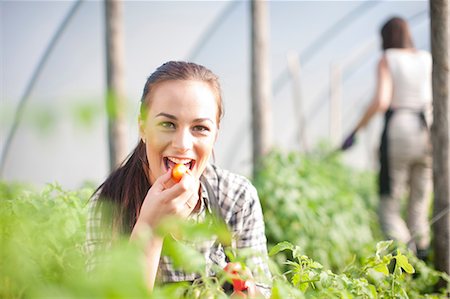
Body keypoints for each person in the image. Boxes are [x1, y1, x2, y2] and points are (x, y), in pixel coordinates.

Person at [85, 61, 271, 296]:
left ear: (215, 135)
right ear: (142, 127)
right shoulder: (109, 204)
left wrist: (246, 291)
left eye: (200, 128)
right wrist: (149, 229)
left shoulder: (236, 198)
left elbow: (262, 289)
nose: (182, 144)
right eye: (167, 124)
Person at [341, 17, 432, 260]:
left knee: (389, 206)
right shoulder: (426, 59)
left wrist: (354, 132)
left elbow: (381, 101)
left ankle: (403, 264)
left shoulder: (387, 59)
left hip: (399, 132)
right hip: (428, 133)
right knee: (419, 204)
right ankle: (423, 262)